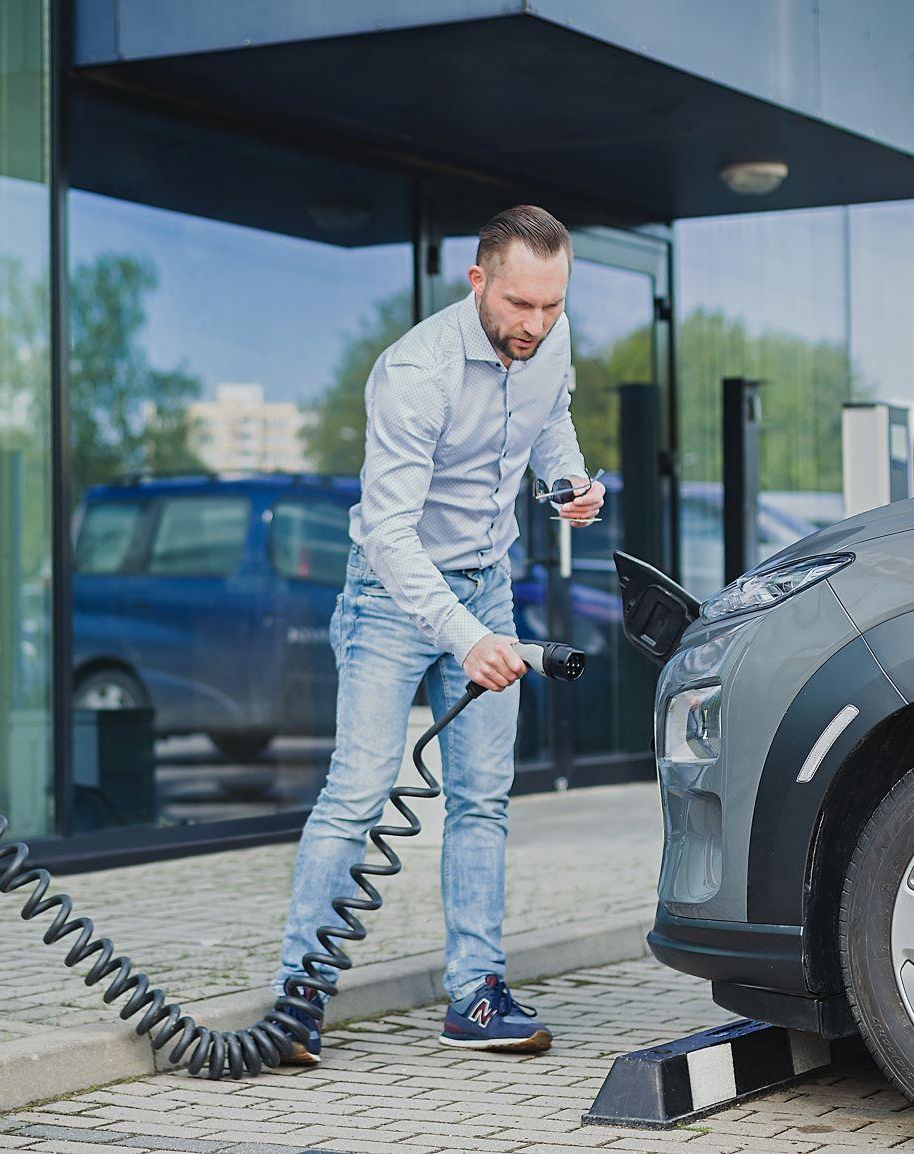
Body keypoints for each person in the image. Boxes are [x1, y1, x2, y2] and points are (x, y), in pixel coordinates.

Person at [269, 204, 605, 1062]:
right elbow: (387, 535)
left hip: (488, 584)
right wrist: (465, 639)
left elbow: (550, 420)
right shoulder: (415, 371)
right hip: (391, 595)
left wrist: (565, 479)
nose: (535, 325)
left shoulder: (551, 340)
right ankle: (296, 1001)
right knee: (359, 793)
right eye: (520, 305)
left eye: (551, 307)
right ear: (478, 280)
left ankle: (475, 996)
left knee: (482, 800)